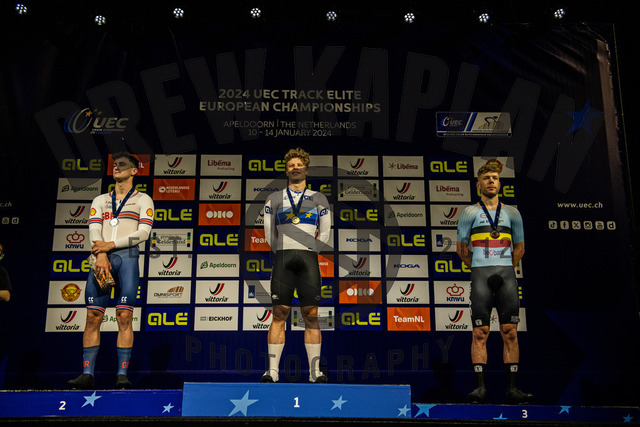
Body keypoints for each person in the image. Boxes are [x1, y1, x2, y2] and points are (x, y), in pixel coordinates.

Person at [67, 152, 154, 390]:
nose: (116, 167)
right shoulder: (100, 200)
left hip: (127, 259)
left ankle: (121, 375)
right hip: (101, 259)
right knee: (92, 316)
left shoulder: (143, 199)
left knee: (124, 316)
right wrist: (102, 253)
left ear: (134, 171)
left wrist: (110, 246)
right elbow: (94, 229)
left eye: (122, 165)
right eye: (115, 164)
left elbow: (143, 233)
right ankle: (87, 374)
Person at [456, 161, 532, 405]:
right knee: (480, 332)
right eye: (487, 178)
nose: (491, 181)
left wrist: (506, 268)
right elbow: (461, 249)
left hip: (506, 276)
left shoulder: (512, 213)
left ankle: (513, 390)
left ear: (500, 184)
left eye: (495, 178)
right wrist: (479, 268)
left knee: (510, 332)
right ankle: (480, 389)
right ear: (478, 185)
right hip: (481, 276)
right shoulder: (469, 212)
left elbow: (520, 247)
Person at [262, 147, 332, 383]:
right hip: (283, 258)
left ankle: (315, 373)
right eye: (291, 165)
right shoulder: (274, 198)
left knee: (311, 316)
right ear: (286, 171)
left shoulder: (319, 198)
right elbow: (268, 234)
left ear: (306, 170)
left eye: (299, 165)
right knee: (279, 314)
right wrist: (283, 250)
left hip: (308, 260)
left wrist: (310, 251)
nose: (295, 168)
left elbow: (325, 232)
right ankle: (272, 372)